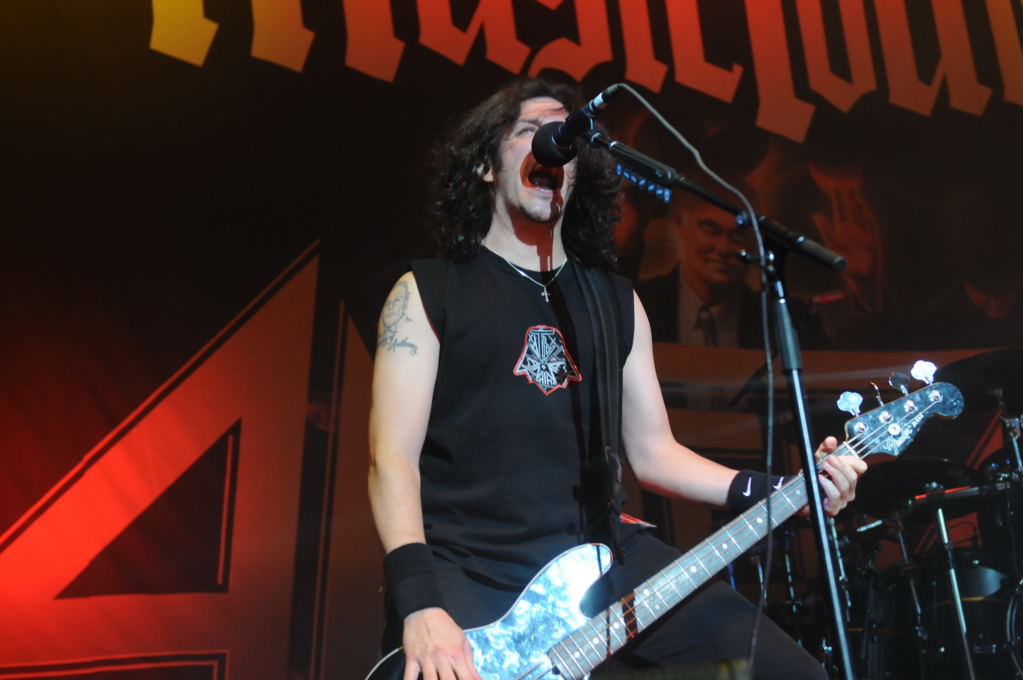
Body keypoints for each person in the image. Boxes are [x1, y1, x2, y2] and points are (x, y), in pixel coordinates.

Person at [367, 77, 866, 680]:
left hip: (604, 557)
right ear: (485, 166)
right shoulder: (428, 292)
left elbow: (655, 455)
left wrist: (786, 490)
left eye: (567, 137)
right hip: (470, 569)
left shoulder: (616, 302)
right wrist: (420, 601)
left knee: (789, 672)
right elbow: (391, 460)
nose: (554, 144)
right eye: (531, 131)